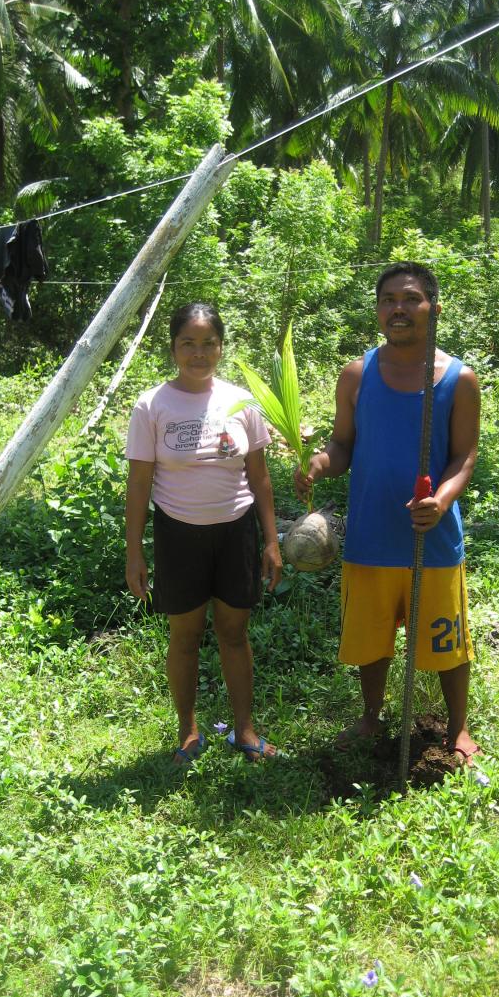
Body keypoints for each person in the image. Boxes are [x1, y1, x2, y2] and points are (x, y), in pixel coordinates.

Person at [294, 262, 481, 763]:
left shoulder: (459, 379)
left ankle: (458, 729)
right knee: (371, 639)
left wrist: (441, 501)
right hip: (371, 535)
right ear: (378, 311)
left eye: (412, 299)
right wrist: (319, 465)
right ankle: (371, 717)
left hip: (433, 540)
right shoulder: (358, 374)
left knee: (447, 640)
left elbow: (465, 455)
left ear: (434, 309)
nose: (399, 308)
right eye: (389, 300)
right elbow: (342, 445)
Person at [125, 301, 282, 764]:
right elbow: (139, 484)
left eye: (208, 343)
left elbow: (260, 477)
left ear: (221, 346)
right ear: (173, 347)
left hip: (235, 532)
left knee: (235, 634)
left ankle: (245, 731)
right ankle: (188, 732)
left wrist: (271, 540)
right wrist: (135, 552)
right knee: (185, 636)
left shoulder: (239, 402)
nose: (199, 353)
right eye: (188, 343)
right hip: (178, 534)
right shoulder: (152, 405)